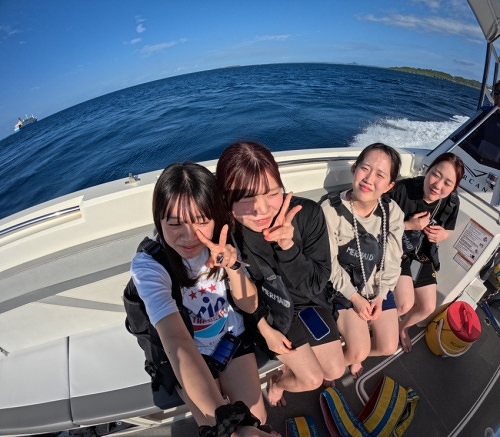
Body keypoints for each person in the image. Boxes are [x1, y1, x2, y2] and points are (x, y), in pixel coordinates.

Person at [130, 162, 276, 437]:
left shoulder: (225, 241)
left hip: (230, 340)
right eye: (175, 224)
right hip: (190, 352)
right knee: (228, 429)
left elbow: (250, 305)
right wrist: (226, 425)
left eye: (201, 221)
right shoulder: (149, 265)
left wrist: (233, 267)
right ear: (158, 220)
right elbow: (176, 339)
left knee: (259, 416)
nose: (189, 237)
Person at [216, 141, 345, 407]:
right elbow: (239, 297)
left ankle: (288, 368)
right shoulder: (228, 235)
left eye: (272, 193)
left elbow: (316, 283)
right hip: (269, 311)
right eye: (246, 199)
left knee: (334, 370)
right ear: (226, 201)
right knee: (312, 379)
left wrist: (288, 248)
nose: (262, 210)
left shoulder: (307, 214)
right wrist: (265, 330)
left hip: (306, 301)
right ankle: (278, 382)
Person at [321, 143, 404, 378]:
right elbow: (328, 263)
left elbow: (393, 258)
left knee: (388, 346)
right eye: (365, 169)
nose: (369, 179)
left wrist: (382, 295)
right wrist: (355, 298)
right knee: (359, 350)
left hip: (375, 286)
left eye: (380, 175)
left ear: (389, 186)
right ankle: (329, 368)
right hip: (342, 290)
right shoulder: (330, 210)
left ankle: (347, 356)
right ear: (354, 169)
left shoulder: (392, 212)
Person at [390, 152, 464, 353]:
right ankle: (372, 327)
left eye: (447, 183)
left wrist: (443, 235)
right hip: (397, 249)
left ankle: (402, 327)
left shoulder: (451, 202)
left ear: (454, 188)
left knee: (427, 307)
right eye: (435, 175)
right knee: (404, 304)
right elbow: (375, 222)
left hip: (421, 252)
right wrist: (408, 225)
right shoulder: (403, 190)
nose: (438, 185)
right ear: (428, 170)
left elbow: (448, 230)